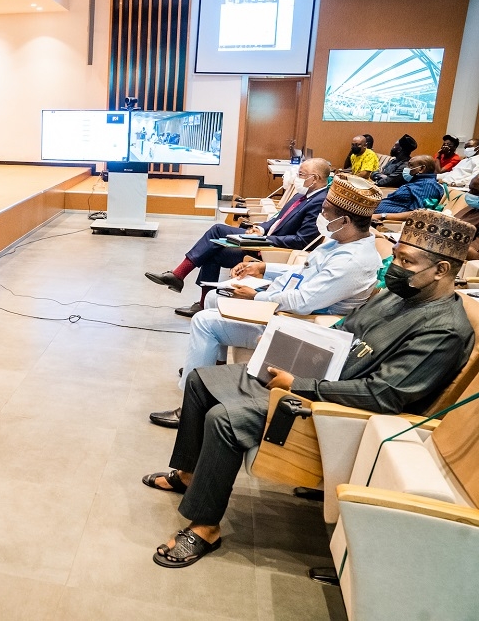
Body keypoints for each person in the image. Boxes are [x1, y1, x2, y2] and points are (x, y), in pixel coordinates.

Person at [142, 209, 475, 568]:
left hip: (336, 409)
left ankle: (206, 526)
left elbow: (382, 395)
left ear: (441, 270)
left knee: (225, 419)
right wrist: (296, 346)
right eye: (395, 256)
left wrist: (298, 384)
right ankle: (190, 475)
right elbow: (345, 331)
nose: (393, 266)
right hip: (321, 377)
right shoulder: (397, 296)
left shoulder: (444, 330)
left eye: (405, 261)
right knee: (200, 380)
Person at [150, 177, 383, 429]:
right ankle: (209, 375)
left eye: (325, 210)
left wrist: (256, 296)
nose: (321, 214)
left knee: (204, 322)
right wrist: (264, 268)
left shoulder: (352, 262)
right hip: (288, 313)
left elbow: (303, 301)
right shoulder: (342, 243)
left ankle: (190, 410)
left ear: (345, 220)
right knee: (217, 297)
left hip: (303, 330)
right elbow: (303, 271)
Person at [146, 158, 330, 318]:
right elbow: (276, 220)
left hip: (271, 252)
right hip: (263, 242)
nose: (296, 177)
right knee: (213, 250)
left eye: (301, 174)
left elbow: (302, 240)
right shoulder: (301, 195)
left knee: (217, 229)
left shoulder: (318, 202)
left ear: (315, 178)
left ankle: (178, 275)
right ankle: (202, 303)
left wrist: (265, 240)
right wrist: (259, 228)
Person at [373, 155, 443, 218]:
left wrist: (382, 216)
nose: (406, 168)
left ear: (421, 169)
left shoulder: (428, 185)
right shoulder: (417, 181)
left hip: (382, 220)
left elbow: (417, 214)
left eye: (410, 165)